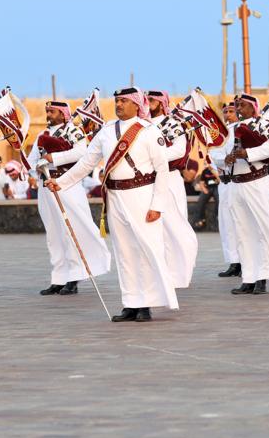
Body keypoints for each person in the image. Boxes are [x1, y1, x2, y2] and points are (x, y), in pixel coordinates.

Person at [45, 86, 177, 322]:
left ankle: (146, 304)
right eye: (117, 101)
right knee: (124, 252)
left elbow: (162, 169)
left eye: (124, 101)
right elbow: (86, 163)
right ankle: (130, 302)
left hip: (142, 194)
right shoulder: (106, 132)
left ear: (137, 104)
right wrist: (61, 182)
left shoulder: (148, 131)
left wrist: (157, 205)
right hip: (115, 196)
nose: (118, 105)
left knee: (146, 249)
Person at [29, 100, 111, 296]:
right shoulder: (43, 134)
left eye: (53, 111)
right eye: (47, 110)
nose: (49, 114)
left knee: (69, 230)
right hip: (45, 185)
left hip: (66, 184)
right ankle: (59, 277)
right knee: (53, 234)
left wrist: (53, 158)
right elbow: (31, 158)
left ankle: (74, 276)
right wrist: (35, 167)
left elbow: (82, 152)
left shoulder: (73, 132)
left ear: (63, 113)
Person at [223, 93, 269, 295]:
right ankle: (248, 278)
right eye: (237, 105)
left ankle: (262, 277)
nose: (239, 108)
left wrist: (247, 153)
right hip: (236, 184)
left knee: (260, 230)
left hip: (256, 181)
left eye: (243, 105)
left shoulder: (262, 125)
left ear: (253, 108)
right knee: (242, 232)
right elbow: (216, 151)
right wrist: (225, 159)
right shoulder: (230, 129)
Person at [147, 89, 198, 289]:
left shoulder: (172, 123)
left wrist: (152, 157)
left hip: (169, 177)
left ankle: (179, 272)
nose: (148, 102)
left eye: (151, 99)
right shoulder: (142, 125)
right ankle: (159, 273)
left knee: (175, 227)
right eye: (146, 99)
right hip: (147, 180)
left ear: (161, 102)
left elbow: (179, 149)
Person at [208, 101, 241, 277]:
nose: (228, 114)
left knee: (240, 223)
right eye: (225, 111)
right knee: (227, 223)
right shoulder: (221, 135)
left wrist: (224, 159)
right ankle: (234, 262)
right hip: (224, 182)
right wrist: (222, 161)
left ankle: (245, 261)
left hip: (237, 181)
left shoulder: (241, 130)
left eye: (231, 111)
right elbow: (213, 155)